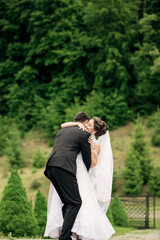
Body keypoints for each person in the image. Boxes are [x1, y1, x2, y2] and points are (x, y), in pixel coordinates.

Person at [44, 116, 115, 240]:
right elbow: (63, 125)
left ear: (95, 131)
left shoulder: (95, 143)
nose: (86, 125)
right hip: (69, 170)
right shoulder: (81, 134)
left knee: (75, 203)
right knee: (70, 202)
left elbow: (92, 164)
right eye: (87, 123)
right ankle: (66, 234)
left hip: (78, 173)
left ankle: (71, 234)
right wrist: (77, 124)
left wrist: (91, 148)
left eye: (89, 125)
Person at [44, 112, 91, 240]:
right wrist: (86, 173)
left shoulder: (62, 132)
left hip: (51, 167)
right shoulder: (84, 134)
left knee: (67, 202)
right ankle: (64, 237)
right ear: (85, 122)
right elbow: (87, 157)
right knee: (76, 202)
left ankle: (66, 235)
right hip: (64, 168)